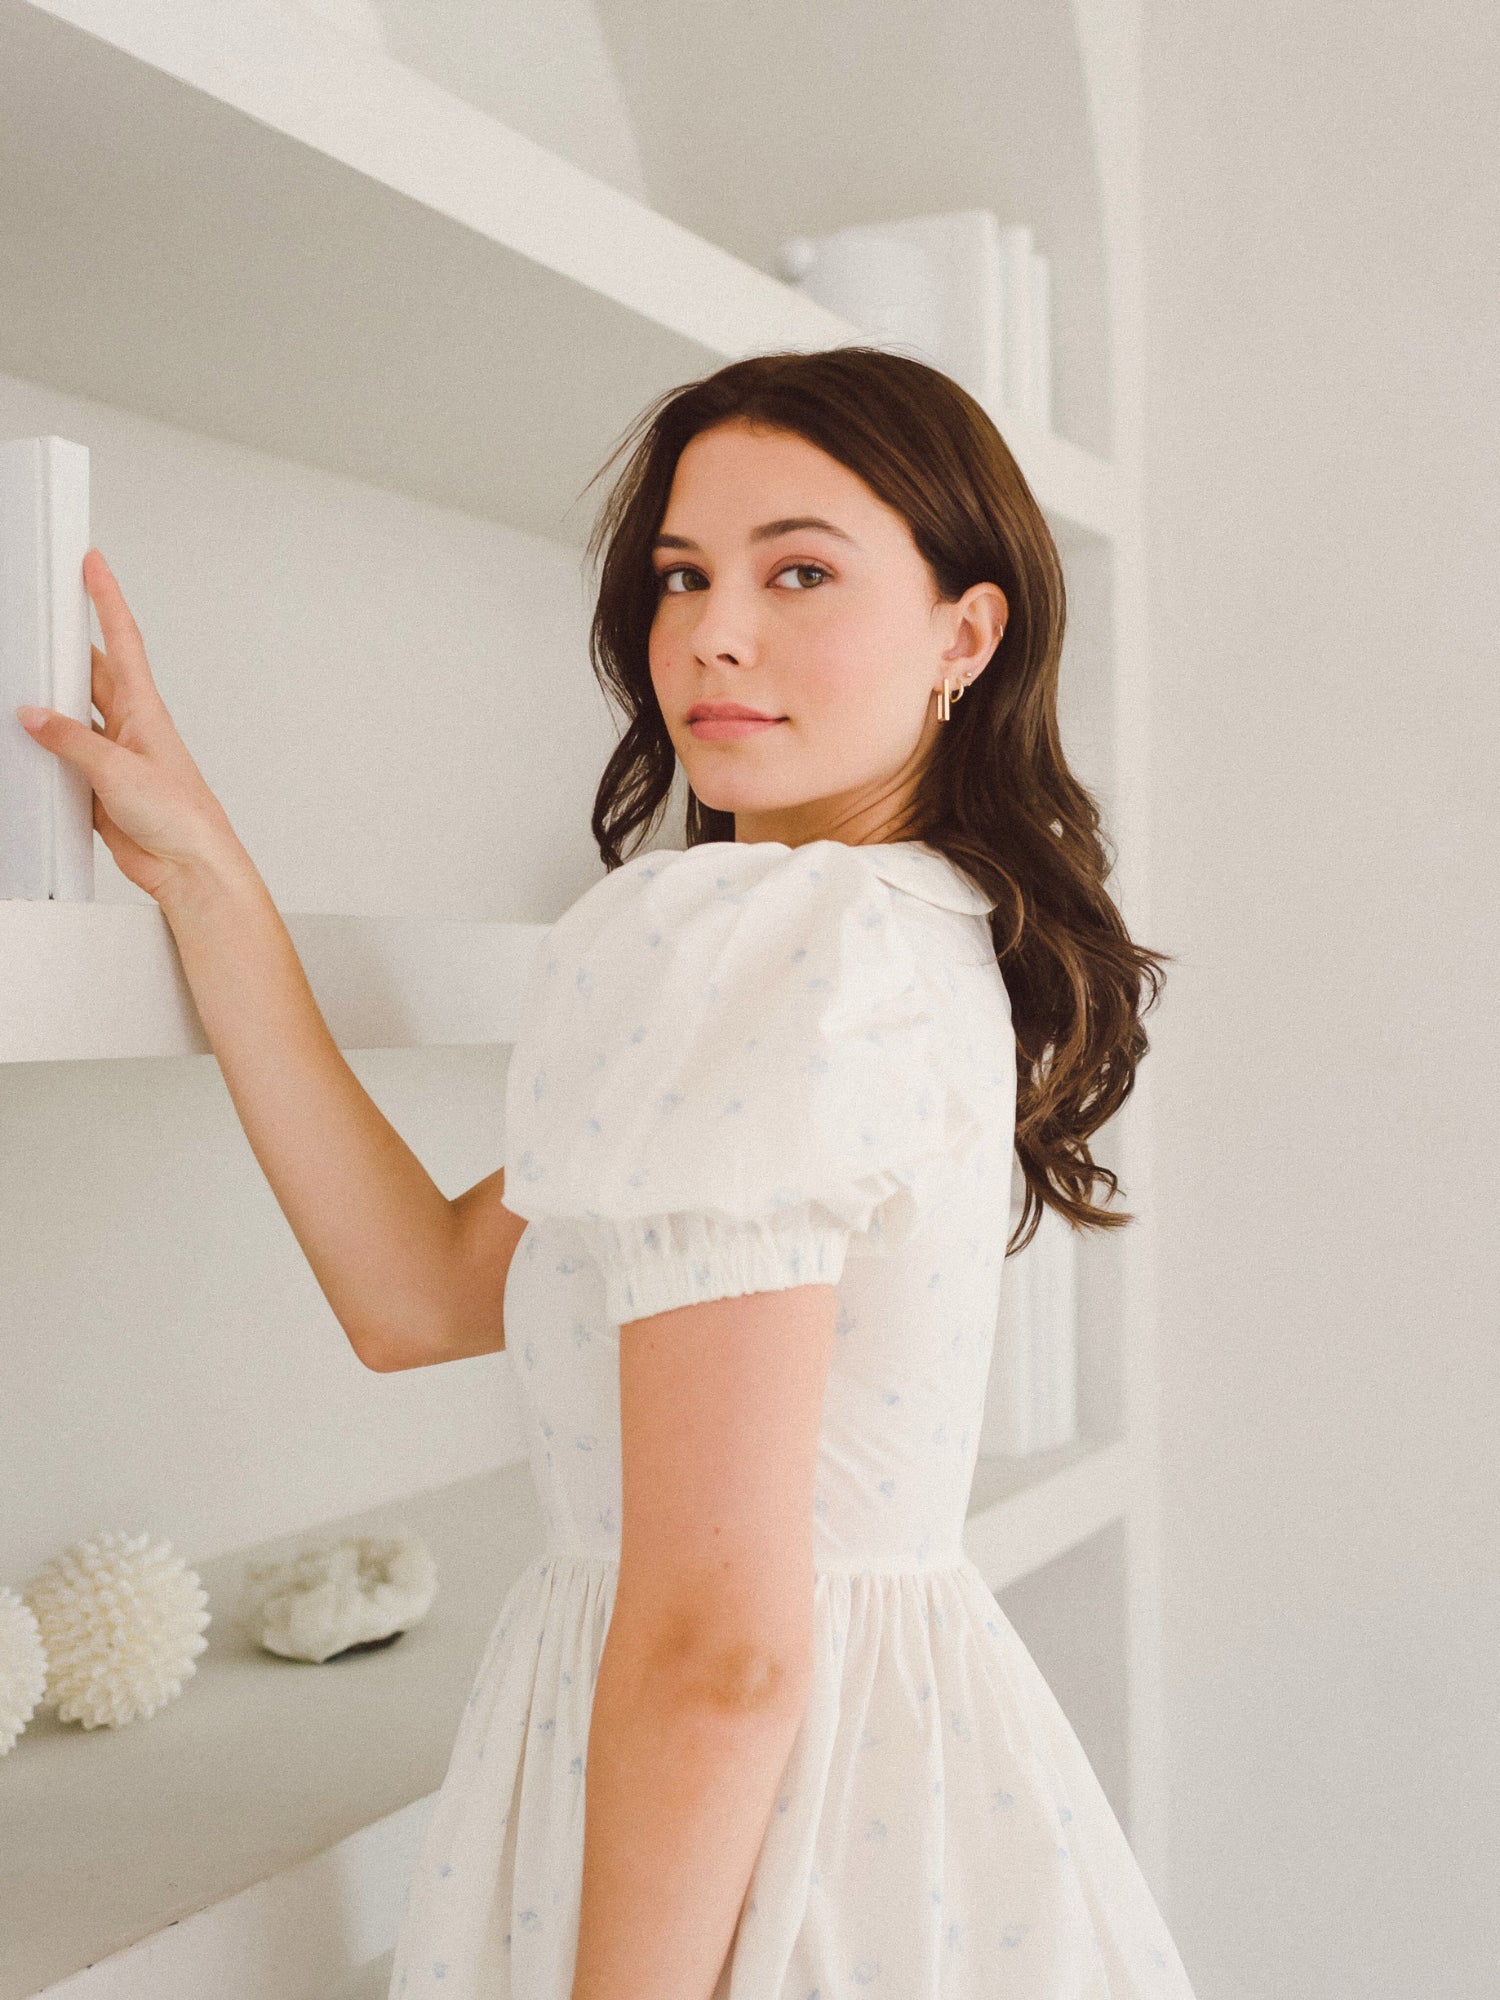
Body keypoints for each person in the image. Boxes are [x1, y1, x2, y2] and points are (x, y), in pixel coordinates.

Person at [17, 346, 1196, 1998]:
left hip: (738, 1842)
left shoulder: (767, 946)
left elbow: (719, 1656)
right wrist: (210, 878)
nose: (715, 630)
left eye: (799, 572)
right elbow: (417, 1294)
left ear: (966, 633)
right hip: (884, 1800)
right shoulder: (899, 933)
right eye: (681, 576)